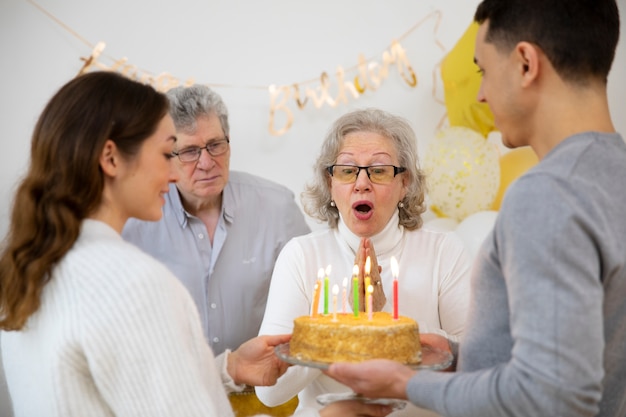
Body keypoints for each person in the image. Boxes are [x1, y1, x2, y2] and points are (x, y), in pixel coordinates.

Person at [0, 71, 392, 417]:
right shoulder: (134, 281)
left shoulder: (32, 267)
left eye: (213, 146)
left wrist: (229, 368)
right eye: (168, 151)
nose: (174, 172)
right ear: (111, 159)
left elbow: (128, 388)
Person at [327, 1, 626, 417]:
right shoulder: (614, 174)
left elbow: (555, 397)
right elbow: (577, 356)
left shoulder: (548, 193)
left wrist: (406, 383)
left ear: (525, 63)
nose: (481, 93)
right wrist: (458, 356)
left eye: (483, 69)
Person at [256, 108, 473, 417]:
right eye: (346, 171)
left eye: (380, 170)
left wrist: (385, 319)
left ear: (405, 183)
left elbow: (477, 370)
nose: (361, 183)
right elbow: (269, 391)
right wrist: (348, 321)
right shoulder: (301, 256)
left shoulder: (444, 250)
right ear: (330, 183)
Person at [122, 84, 310, 356]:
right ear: (165, 155)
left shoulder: (277, 207)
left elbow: (313, 302)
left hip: (263, 389)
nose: (207, 162)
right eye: (189, 151)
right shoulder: (135, 219)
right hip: (173, 388)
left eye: (215, 145)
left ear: (228, 141)